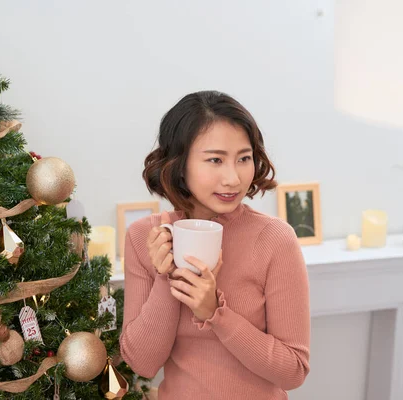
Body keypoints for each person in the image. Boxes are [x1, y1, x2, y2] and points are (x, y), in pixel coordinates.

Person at [119, 90, 310, 399]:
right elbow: (143, 363)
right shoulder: (145, 237)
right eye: (215, 160)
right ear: (180, 164)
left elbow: (293, 371)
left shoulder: (276, 240)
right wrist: (166, 276)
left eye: (244, 159)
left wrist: (215, 313)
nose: (233, 178)